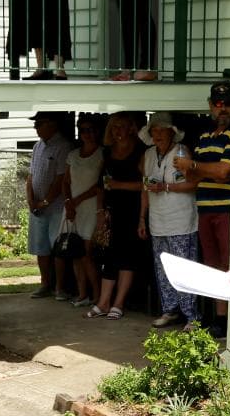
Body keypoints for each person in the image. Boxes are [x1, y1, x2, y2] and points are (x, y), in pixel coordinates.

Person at [173, 81, 230, 337]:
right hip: (206, 210)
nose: (223, 109)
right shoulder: (206, 137)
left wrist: (194, 166)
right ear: (210, 106)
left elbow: (222, 172)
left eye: (228, 104)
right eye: (218, 104)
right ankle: (220, 320)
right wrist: (198, 169)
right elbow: (196, 177)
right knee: (213, 266)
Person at [137, 112, 199, 329]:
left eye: (161, 130)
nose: (157, 135)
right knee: (162, 268)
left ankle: (191, 315)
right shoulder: (148, 155)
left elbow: (192, 184)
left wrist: (165, 187)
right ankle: (170, 310)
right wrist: (142, 219)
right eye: (154, 131)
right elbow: (144, 189)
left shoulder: (181, 152)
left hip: (181, 220)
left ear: (171, 132)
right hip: (157, 220)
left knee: (184, 266)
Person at [85, 112, 145, 320]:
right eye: (114, 127)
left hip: (133, 209)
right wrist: (100, 211)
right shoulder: (108, 152)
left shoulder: (140, 151)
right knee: (109, 257)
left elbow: (147, 184)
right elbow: (102, 184)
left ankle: (118, 303)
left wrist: (120, 185)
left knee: (127, 257)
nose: (117, 131)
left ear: (131, 128)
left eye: (122, 126)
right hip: (112, 211)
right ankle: (103, 302)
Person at [26, 112, 71, 298]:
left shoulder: (63, 146)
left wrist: (45, 202)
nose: (35, 127)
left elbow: (62, 179)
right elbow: (30, 177)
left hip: (56, 207)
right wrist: (31, 201)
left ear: (52, 124)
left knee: (57, 247)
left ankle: (59, 287)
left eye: (39, 123)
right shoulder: (37, 146)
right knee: (40, 247)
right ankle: (45, 284)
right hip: (37, 207)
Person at [63, 115, 104, 307]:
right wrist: (68, 202)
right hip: (72, 208)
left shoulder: (102, 154)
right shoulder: (72, 155)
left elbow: (99, 186)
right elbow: (65, 182)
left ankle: (97, 294)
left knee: (86, 253)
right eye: (83, 130)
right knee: (75, 251)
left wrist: (75, 201)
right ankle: (82, 294)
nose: (87, 134)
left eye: (90, 129)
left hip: (90, 207)